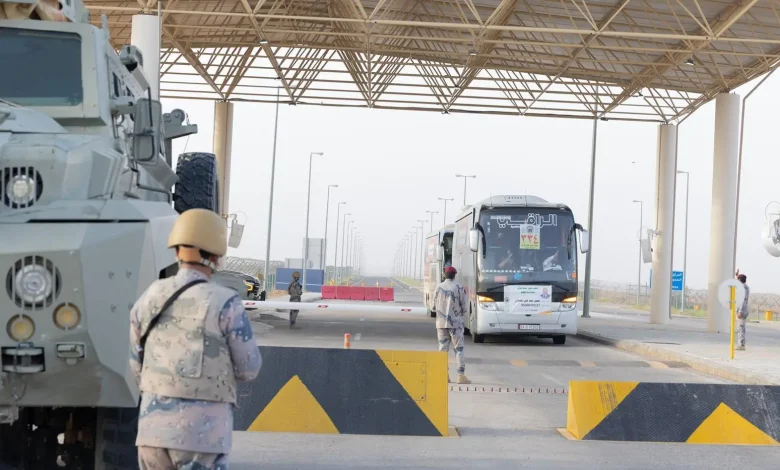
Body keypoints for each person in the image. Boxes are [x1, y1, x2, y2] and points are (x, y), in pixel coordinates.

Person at [129, 208, 263, 470]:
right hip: (202, 436)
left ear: (176, 249)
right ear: (215, 254)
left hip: (151, 433)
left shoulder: (149, 297)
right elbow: (249, 368)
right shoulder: (225, 303)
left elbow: (136, 363)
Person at [433, 266, 471, 384]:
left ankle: (444, 375)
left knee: (443, 350)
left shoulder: (438, 287)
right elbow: (464, 307)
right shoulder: (459, 287)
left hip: (441, 324)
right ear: (454, 275)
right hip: (455, 324)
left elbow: (433, 306)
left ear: (445, 275)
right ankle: (460, 376)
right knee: (459, 349)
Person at [736, 272, 750, 351]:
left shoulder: (743, 288)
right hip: (744, 310)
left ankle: (741, 345)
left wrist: (740, 311)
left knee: (741, 328)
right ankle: (741, 344)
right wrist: (736, 275)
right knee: (741, 327)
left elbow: (742, 300)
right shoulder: (746, 287)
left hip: (742, 311)